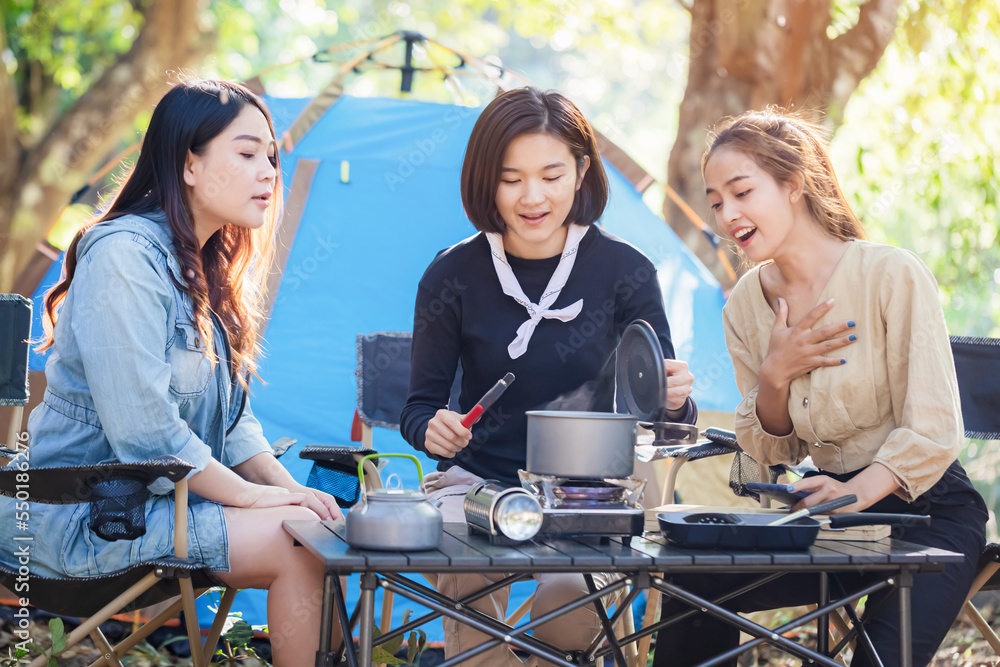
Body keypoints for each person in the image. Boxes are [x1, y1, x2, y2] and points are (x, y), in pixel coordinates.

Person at [0, 79, 342, 666]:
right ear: (189, 162)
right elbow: (145, 432)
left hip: (155, 512)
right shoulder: (123, 257)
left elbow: (234, 426)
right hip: (77, 519)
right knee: (299, 545)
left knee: (322, 525)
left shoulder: (205, 272)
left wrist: (293, 493)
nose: (269, 172)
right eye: (247, 152)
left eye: (272, 157)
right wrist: (253, 500)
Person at [652, 109, 987, 667]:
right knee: (699, 584)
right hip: (829, 516)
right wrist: (775, 376)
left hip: (929, 516)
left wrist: (859, 492)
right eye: (716, 202)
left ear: (793, 184)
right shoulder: (744, 305)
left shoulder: (890, 275)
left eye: (742, 192)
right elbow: (774, 452)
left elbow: (934, 429)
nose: (727, 215)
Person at [400, 86, 698, 666]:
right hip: (475, 487)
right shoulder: (451, 275)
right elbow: (420, 409)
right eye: (511, 179)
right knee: (467, 578)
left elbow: (663, 414)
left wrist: (676, 399)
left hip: (588, 495)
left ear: (583, 171)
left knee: (570, 595)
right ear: (485, 180)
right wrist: (432, 431)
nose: (532, 197)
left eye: (552, 175)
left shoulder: (626, 271)